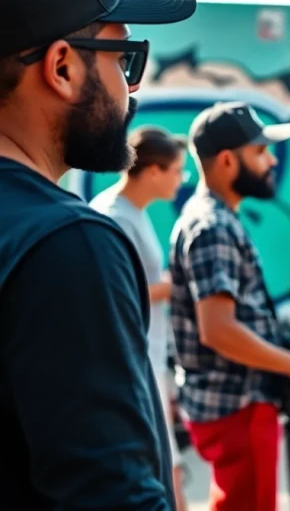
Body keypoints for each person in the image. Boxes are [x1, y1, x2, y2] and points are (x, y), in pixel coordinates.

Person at [0, 0, 195, 510]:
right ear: (62, 66)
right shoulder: (67, 243)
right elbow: (112, 497)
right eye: (123, 59)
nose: (129, 89)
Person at [169, 101, 290, 511]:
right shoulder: (212, 226)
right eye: (259, 151)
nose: (271, 160)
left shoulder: (214, 217)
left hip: (234, 403)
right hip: (237, 406)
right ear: (226, 160)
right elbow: (217, 330)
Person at [90, 126, 191, 511]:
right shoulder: (113, 215)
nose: (181, 180)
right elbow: (116, 293)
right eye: (177, 170)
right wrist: (173, 285)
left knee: (170, 467)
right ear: (152, 171)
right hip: (134, 361)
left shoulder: (133, 211)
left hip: (149, 357)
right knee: (166, 469)